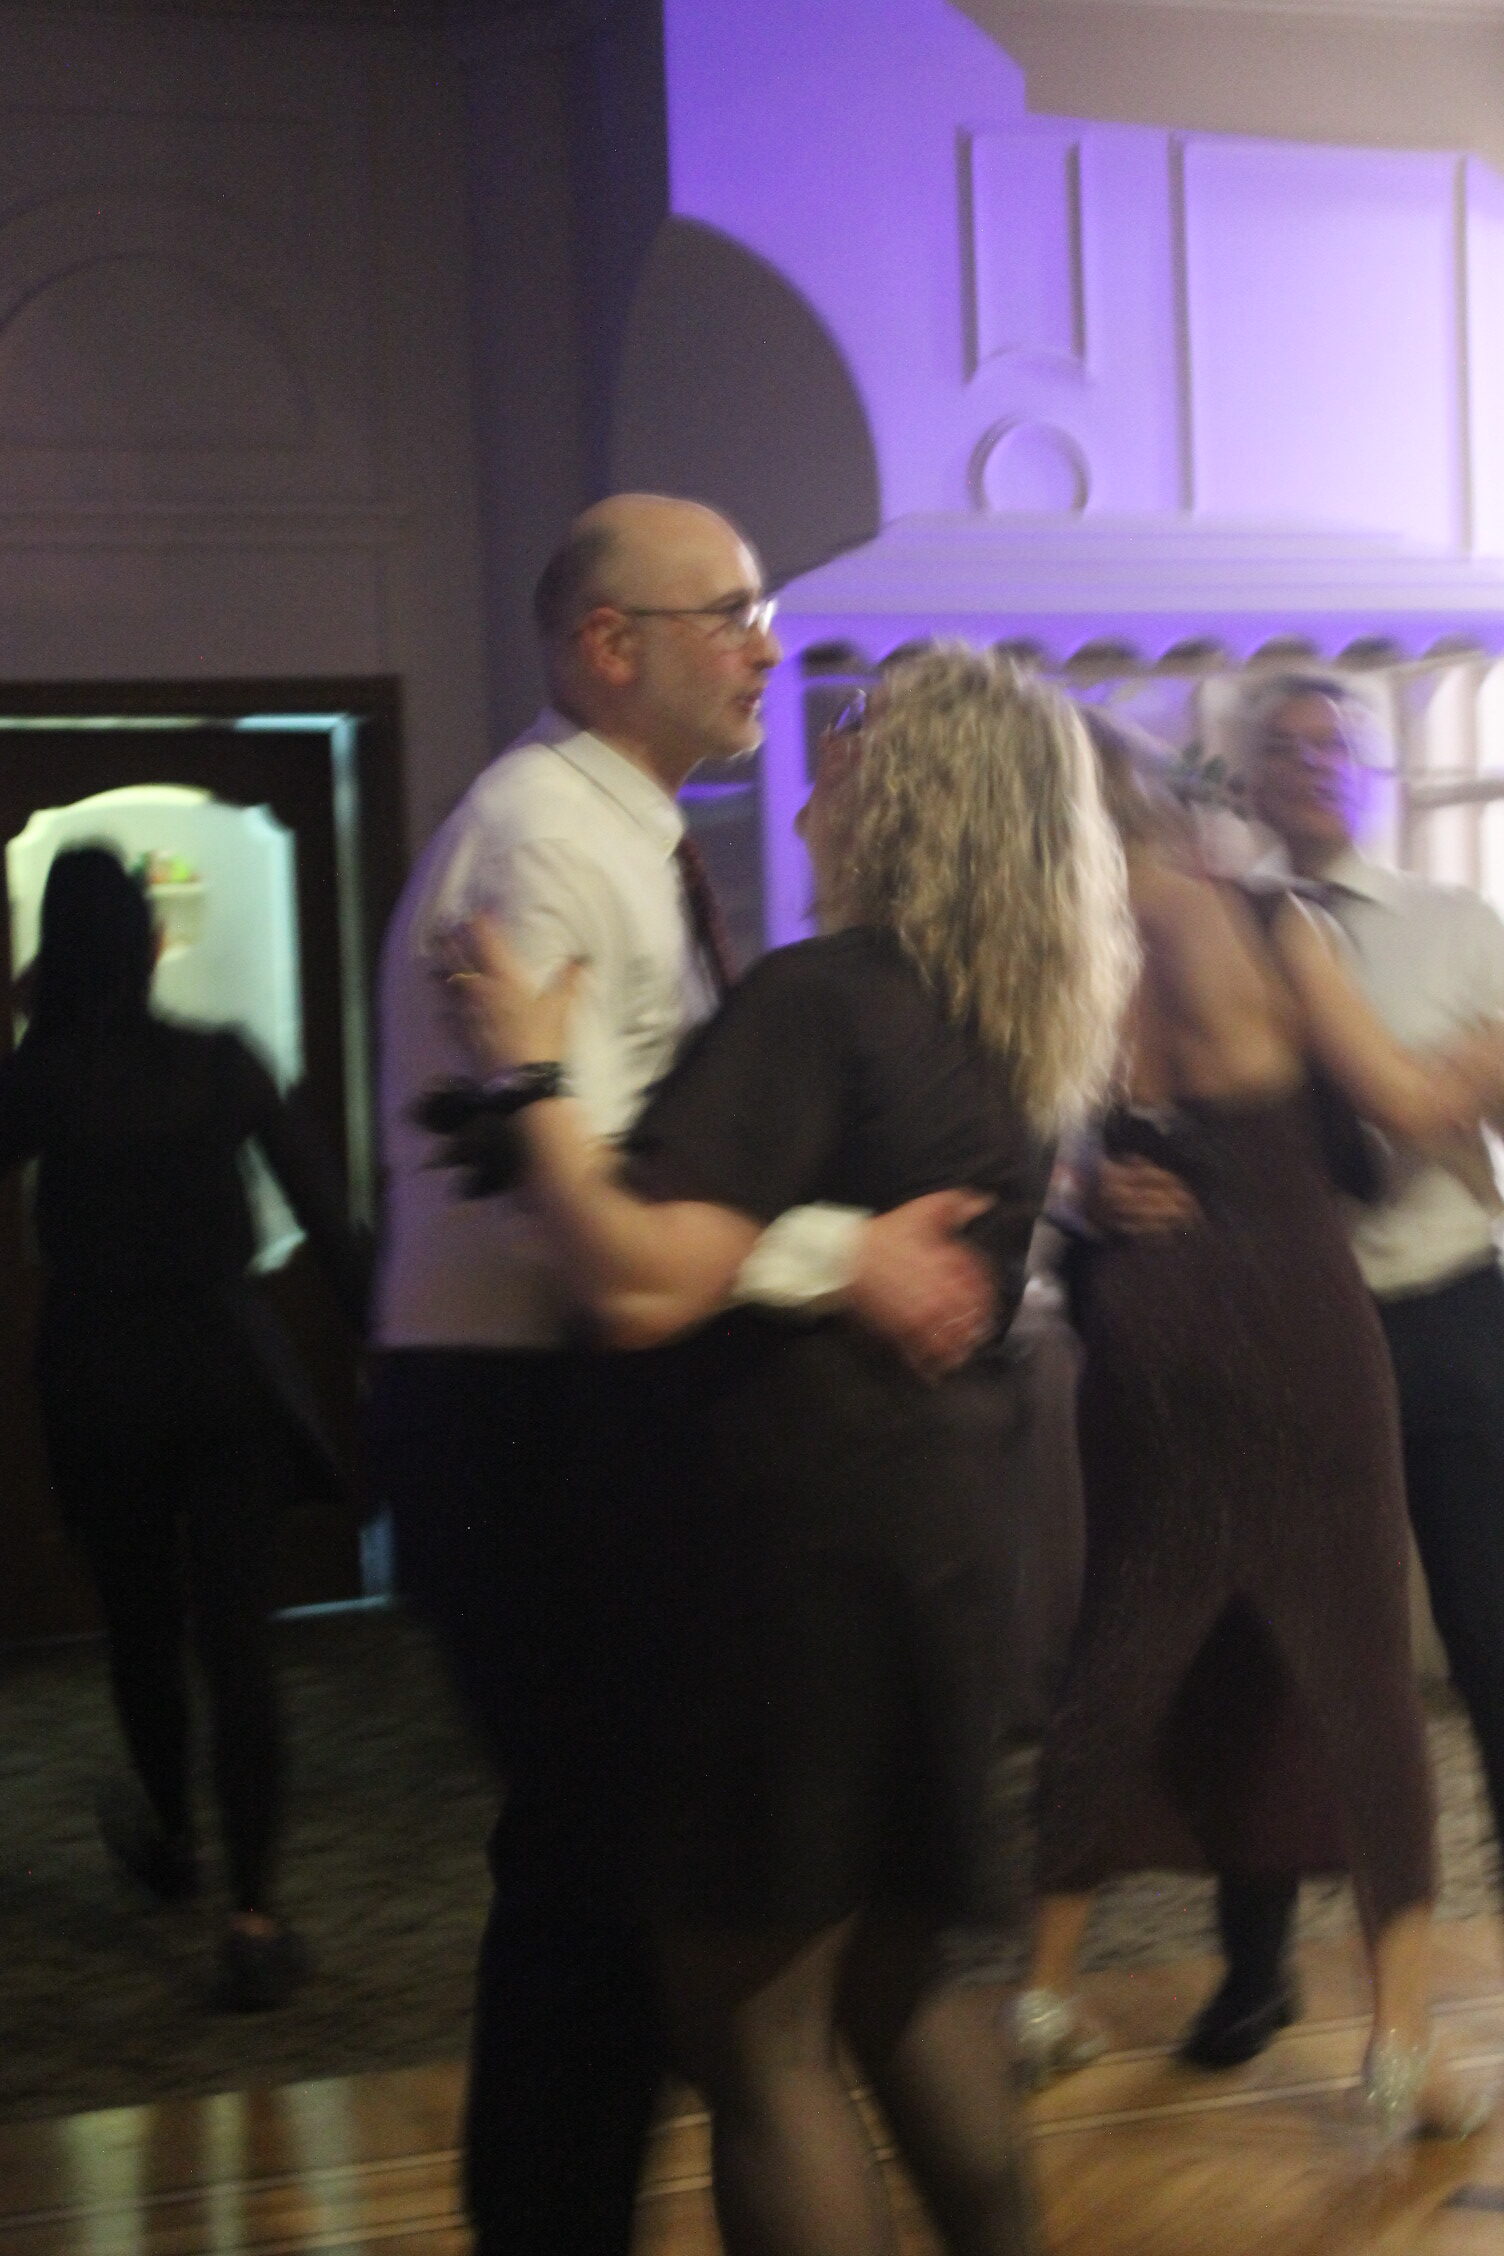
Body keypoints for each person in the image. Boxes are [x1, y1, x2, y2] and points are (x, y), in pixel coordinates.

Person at [441, 644, 1137, 2256]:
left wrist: (525, 1074)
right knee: (901, 1985)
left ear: (916, 800)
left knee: (754, 2034)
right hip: (946, 1536)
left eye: (856, 742)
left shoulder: (825, 998)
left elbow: (638, 1278)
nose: (821, 767)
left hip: (792, 1557)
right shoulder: (1006, 1027)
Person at [369, 495, 1002, 2256]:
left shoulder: (617, 835)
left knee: (614, 1882)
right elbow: (590, 1203)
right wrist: (841, 1256)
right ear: (606, 644)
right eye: (726, 613)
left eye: (761, 609)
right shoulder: (542, 845)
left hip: (574, 1393)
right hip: (519, 1402)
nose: (765, 647)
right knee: (593, 1883)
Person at [1014, 709, 1503, 2141]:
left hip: (1149, 1335)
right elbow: (1398, 1097)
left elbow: (1043, 1161)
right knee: (1362, 1678)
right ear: (1166, 799)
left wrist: (1090, 1194)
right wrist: (1483, 1056)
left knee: (1121, 1652)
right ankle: (1399, 2048)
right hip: (1294, 1327)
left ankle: (1037, 1997)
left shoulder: (1069, 951)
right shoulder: (1270, 919)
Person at [0, 845, 368, 2010]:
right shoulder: (220, 1063)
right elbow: (328, 1220)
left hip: (100, 1372)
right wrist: (388, 1349)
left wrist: (38, 1017)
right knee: (237, 1641)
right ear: (151, 944)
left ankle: (171, 1840)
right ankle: (254, 1915)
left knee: (140, 1624)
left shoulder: (39, 1078)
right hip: (223, 1365)